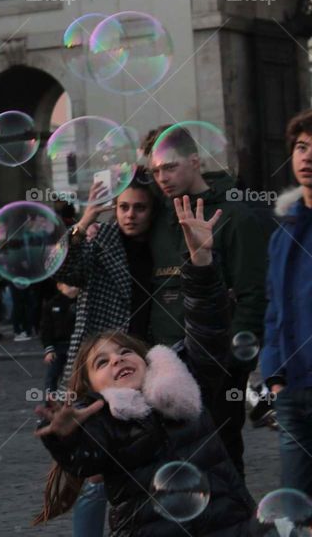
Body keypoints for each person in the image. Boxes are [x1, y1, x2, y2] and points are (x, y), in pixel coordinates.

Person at [34, 197, 256, 535]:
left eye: (124, 352)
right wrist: (64, 439)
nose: (117, 359)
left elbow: (207, 327)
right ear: (92, 386)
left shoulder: (185, 384)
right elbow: (86, 458)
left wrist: (201, 262)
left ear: (145, 356)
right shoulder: (104, 421)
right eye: (102, 362)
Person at [143, 124, 269, 477]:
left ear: (196, 162)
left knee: (221, 461)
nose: (162, 177)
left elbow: (253, 295)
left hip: (217, 365)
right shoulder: (157, 215)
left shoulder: (237, 215)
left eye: (170, 167)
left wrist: (235, 363)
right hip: (165, 362)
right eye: (155, 171)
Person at [51, 174, 157, 535]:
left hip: (148, 368)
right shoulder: (102, 238)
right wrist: (84, 222)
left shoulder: (164, 242)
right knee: (96, 472)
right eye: (123, 207)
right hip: (100, 369)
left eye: (139, 207)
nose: (130, 215)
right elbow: (65, 270)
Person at [262, 109, 312, 497]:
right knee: (298, 505)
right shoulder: (285, 228)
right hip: (292, 389)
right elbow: (275, 309)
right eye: (301, 146)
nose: (307, 156)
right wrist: (274, 375)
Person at [40, 281, 77, 395]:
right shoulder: (52, 304)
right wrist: (48, 349)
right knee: (52, 376)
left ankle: (75, 400)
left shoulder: (82, 304)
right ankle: (50, 403)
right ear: (59, 286)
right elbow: (46, 329)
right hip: (58, 346)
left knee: (76, 375)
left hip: (77, 344)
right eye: (69, 284)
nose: (74, 286)